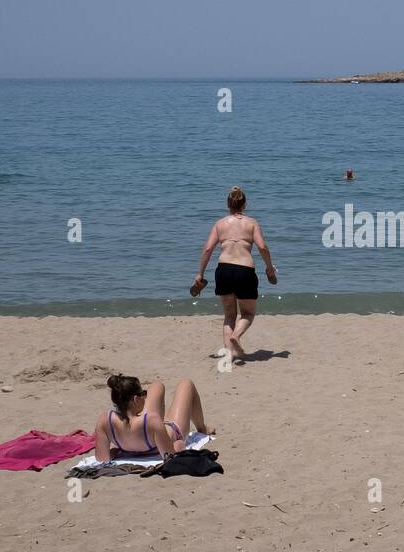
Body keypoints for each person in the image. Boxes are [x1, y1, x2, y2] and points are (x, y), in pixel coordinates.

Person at [194, 186, 277, 359]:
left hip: (223, 270)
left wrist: (200, 274)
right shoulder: (252, 223)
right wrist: (269, 268)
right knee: (248, 313)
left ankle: (228, 355)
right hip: (245, 271)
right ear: (244, 204)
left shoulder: (220, 224)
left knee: (229, 315)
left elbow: (208, 249)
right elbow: (262, 247)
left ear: (228, 204)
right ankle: (236, 336)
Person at [93, 374, 212, 462]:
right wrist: (179, 445)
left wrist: (116, 450)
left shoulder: (105, 420)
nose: (145, 397)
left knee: (157, 385)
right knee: (186, 384)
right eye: (143, 394)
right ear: (136, 400)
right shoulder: (152, 420)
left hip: (134, 438)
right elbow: (170, 456)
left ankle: (160, 425)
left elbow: (101, 459)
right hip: (166, 434)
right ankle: (202, 428)